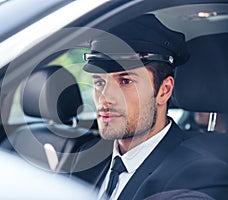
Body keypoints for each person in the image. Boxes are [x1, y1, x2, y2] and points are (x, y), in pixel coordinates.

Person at [69, 14, 228, 200]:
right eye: (99, 83)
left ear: (164, 90)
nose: (105, 99)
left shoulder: (199, 174)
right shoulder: (86, 158)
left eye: (126, 81)